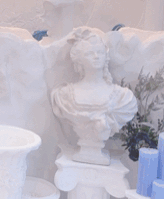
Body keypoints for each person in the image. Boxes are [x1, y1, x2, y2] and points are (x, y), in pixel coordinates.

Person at [51, 28, 137, 165]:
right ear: (79, 59)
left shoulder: (123, 98)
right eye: (90, 53)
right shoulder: (64, 96)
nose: (96, 56)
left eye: (100, 52)